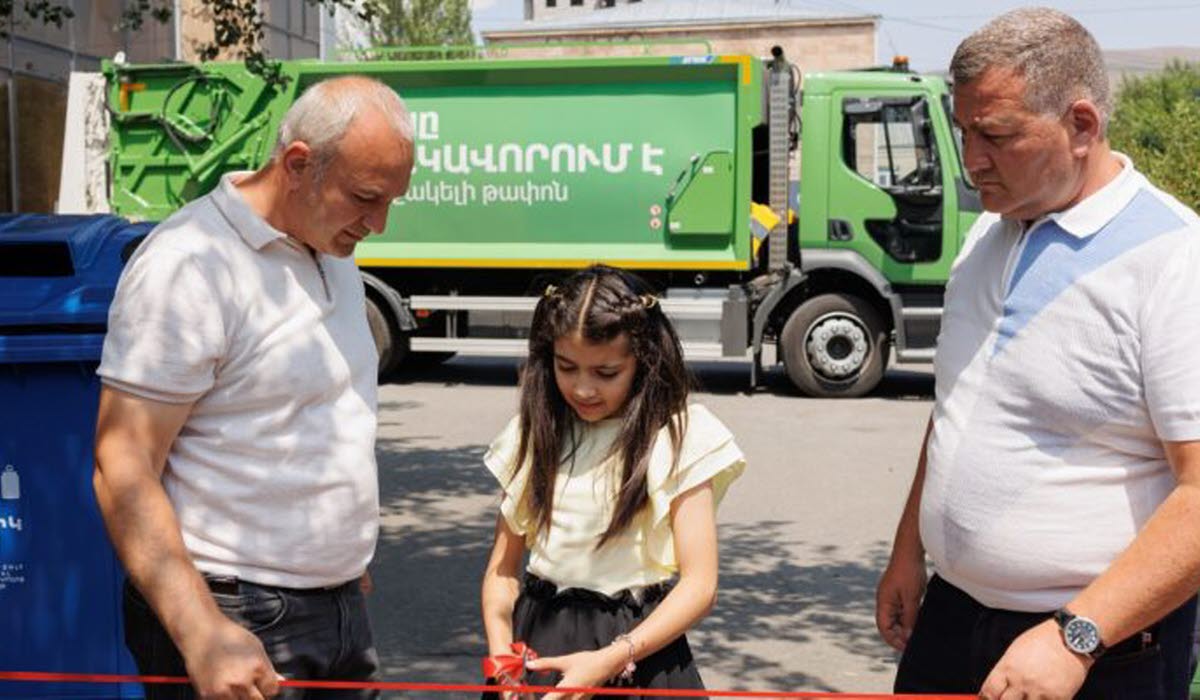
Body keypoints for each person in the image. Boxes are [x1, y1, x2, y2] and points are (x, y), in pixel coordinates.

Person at [874, 7, 1200, 699]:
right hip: (953, 617)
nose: (972, 161)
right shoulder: (986, 235)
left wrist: (1076, 634)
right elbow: (956, 408)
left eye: (996, 135)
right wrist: (910, 550)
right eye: (964, 132)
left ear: (1081, 125)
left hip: (1102, 650)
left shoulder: (1175, 259)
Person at [92, 76, 414, 699]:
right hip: (233, 616)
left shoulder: (330, 249)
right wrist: (201, 633)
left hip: (338, 608)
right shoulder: (189, 264)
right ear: (298, 165)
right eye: (366, 198)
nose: (379, 224)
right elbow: (121, 464)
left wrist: (335, 553)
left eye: (391, 201)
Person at [479, 265, 746, 699]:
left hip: (640, 647)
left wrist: (612, 657)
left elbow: (701, 586)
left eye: (606, 373)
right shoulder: (535, 433)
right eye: (567, 367)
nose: (583, 388)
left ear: (644, 361)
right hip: (539, 644)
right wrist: (501, 656)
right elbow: (503, 572)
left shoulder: (680, 437)